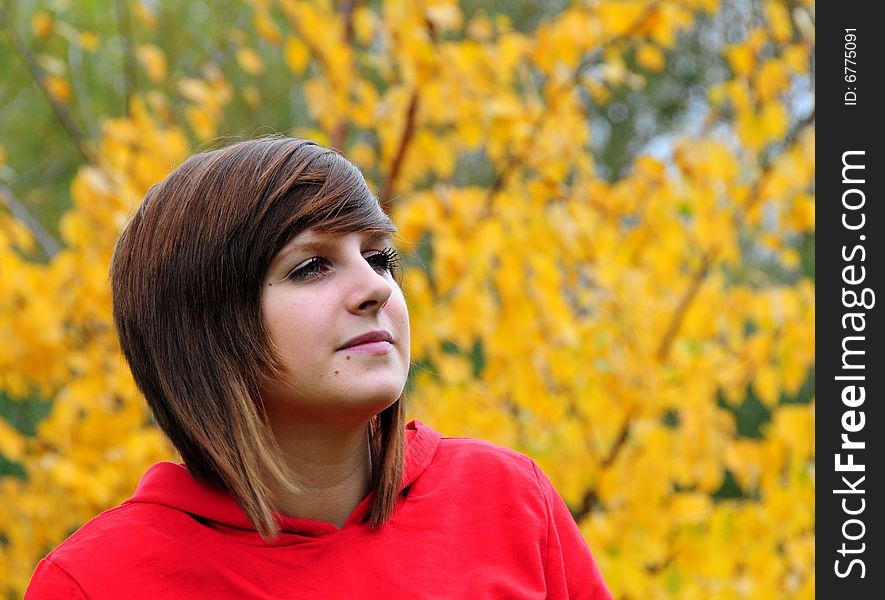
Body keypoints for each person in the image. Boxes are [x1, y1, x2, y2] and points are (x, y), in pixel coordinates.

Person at [24, 137, 612, 599]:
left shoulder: (505, 500)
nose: (374, 289)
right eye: (311, 267)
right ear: (204, 326)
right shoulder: (95, 583)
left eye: (379, 258)